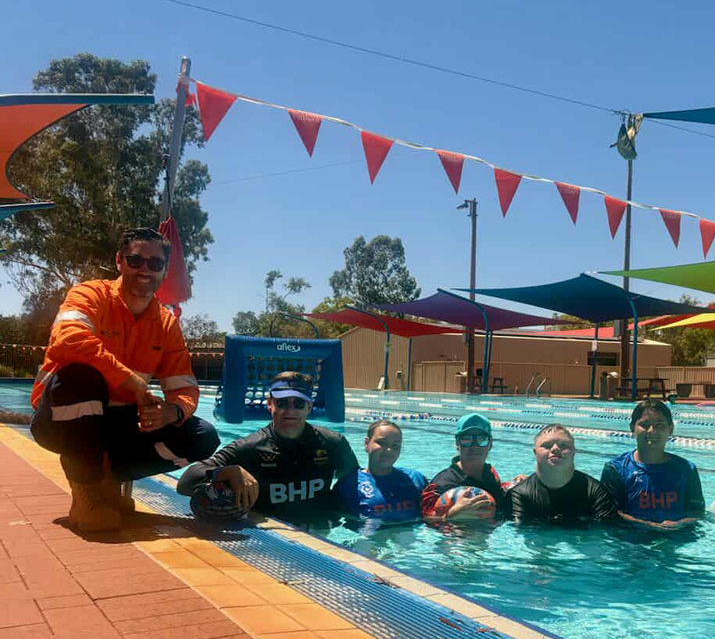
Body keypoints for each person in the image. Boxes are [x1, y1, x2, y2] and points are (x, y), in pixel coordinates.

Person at [30, 227, 219, 532]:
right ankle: (86, 495)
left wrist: (173, 411)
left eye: (155, 264)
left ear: (165, 271)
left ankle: (109, 476)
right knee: (80, 375)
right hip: (58, 421)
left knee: (203, 435)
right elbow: (68, 340)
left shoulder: (166, 324)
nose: (145, 270)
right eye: (136, 260)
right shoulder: (89, 294)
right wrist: (133, 382)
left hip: (118, 425)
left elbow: (183, 385)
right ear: (119, 261)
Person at [177, 371, 358, 521]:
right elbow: (185, 483)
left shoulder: (333, 443)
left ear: (309, 407)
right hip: (267, 537)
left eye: (299, 403)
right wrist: (224, 472)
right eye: (282, 402)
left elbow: (355, 485)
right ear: (270, 404)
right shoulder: (249, 448)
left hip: (322, 536)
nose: (290, 410)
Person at [600, 400, 705, 530]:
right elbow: (609, 513)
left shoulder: (686, 470)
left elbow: (698, 513)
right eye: (644, 425)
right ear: (632, 428)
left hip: (674, 539)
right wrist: (649, 526)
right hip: (630, 541)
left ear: (670, 429)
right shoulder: (616, 469)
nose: (652, 431)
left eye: (659, 425)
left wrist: (680, 524)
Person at [508, 424, 617, 523]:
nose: (555, 449)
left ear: (574, 452)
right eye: (547, 445)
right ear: (535, 453)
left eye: (564, 445)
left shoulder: (595, 492)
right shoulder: (519, 494)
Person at [332, 420, 427, 524]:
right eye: (382, 443)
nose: (389, 450)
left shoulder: (415, 479)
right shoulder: (349, 485)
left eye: (395, 445)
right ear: (367, 443)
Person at [422, 413, 511, 520]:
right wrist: (451, 515)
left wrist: (518, 483)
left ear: (490, 444)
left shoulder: (491, 474)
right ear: (457, 443)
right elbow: (426, 520)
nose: (474, 446)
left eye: (481, 439)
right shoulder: (442, 484)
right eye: (466, 439)